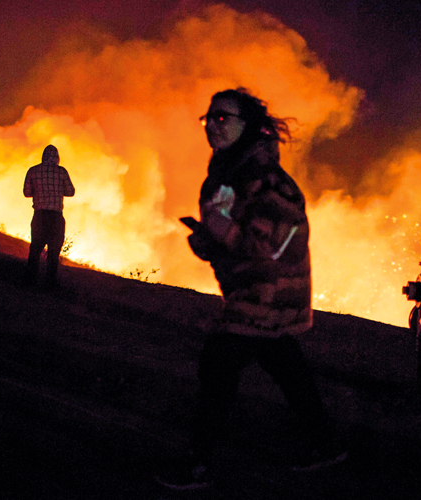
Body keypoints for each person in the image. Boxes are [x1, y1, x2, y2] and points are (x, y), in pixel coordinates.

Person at [156, 88, 346, 490]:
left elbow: (268, 248)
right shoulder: (230, 172)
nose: (213, 126)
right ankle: (326, 444)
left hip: (263, 297)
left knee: (217, 366)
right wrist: (208, 236)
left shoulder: (265, 180)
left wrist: (221, 231)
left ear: (248, 126)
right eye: (209, 119)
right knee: (287, 367)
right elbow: (231, 242)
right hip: (261, 297)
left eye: (223, 118)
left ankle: (198, 465)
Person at [23, 144, 75, 287]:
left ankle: (30, 281)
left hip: (39, 216)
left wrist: (39, 191)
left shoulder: (33, 171)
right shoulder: (62, 172)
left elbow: (27, 192)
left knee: (35, 249)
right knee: (53, 253)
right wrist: (57, 190)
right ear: (57, 158)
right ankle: (50, 284)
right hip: (56, 217)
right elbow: (71, 191)